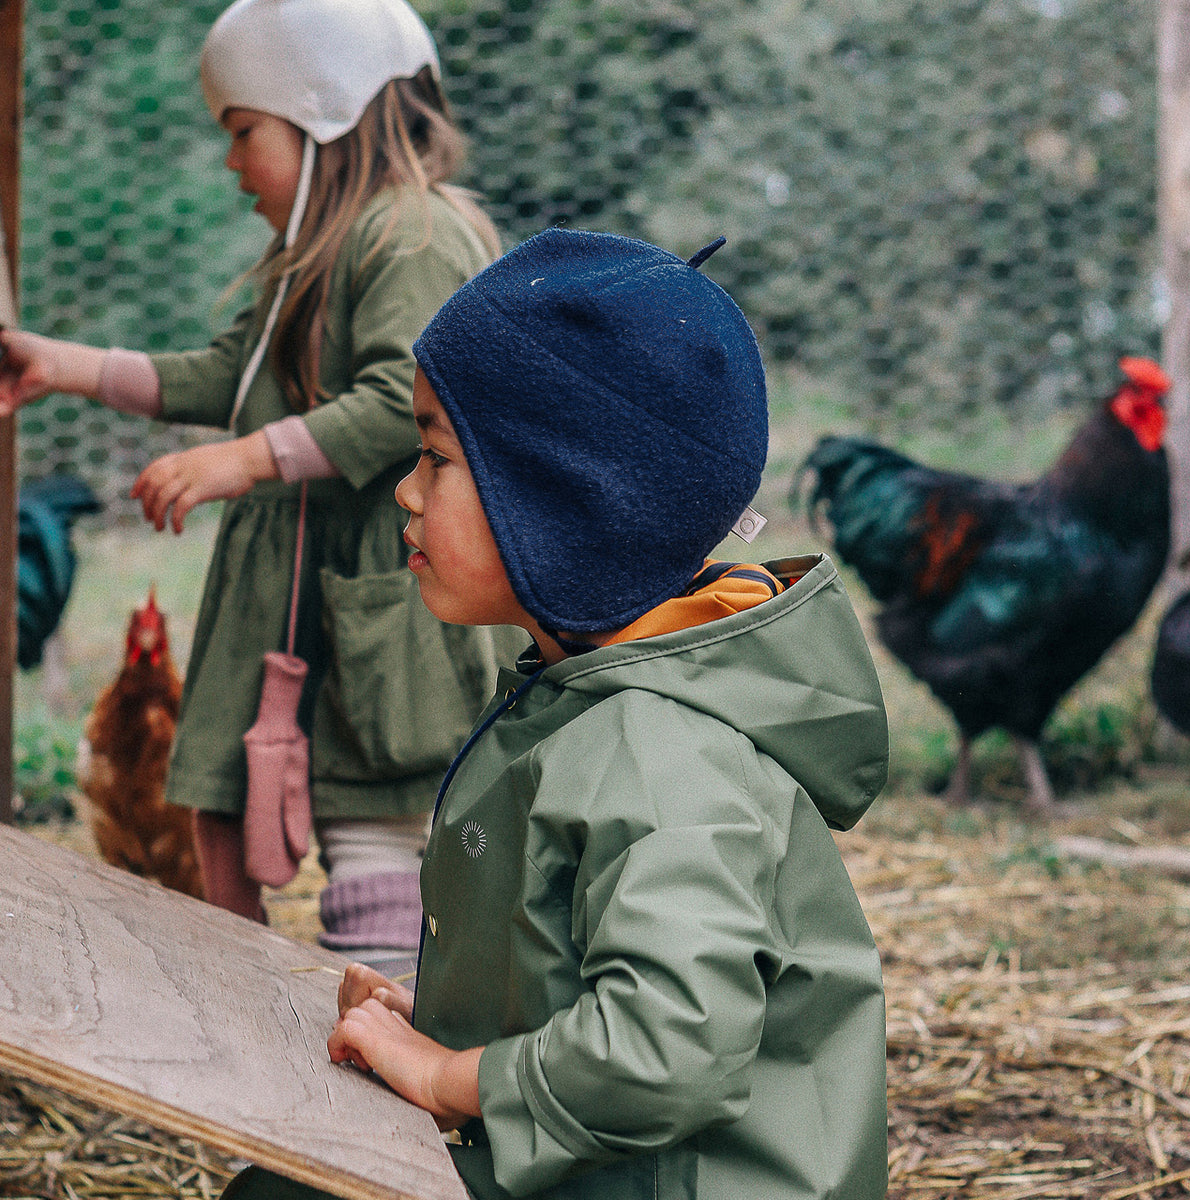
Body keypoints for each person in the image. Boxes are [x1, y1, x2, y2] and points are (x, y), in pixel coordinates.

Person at [226, 227, 891, 1200]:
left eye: (437, 458)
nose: (406, 493)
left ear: (560, 501)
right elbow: (580, 977)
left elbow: (672, 1044)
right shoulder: (587, 696)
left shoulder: (667, 756)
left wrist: (451, 1079)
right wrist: (440, 1025)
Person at [0, 0, 524, 967]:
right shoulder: (308, 258)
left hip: (386, 591)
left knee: (380, 824)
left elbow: (399, 395)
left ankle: (388, 1034)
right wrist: (64, 365)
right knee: (224, 817)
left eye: (245, 133)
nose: (232, 162)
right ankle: (265, 1028)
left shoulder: (409, 233)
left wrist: (245, 459)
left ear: (322, 114)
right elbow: (226, 379)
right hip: (297, 592)